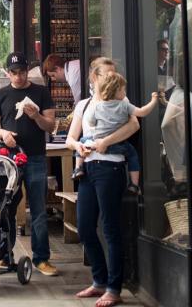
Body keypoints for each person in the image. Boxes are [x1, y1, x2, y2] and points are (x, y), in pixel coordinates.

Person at [66, 57, 140, 307]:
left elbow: (134, 125)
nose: (112, 78)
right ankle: (99, 280)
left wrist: (105, 142)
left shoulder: (121, 100)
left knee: (110, 228)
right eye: (107, 74)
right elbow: (70, 138)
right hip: (87, 169)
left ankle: (114, 287)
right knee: (85, 227)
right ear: (93, 77)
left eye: (114, 74)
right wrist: (79, 147)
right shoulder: (85, 105)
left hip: (111, 167)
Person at [0, 51, 57, 277]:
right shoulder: (0, 94)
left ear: (28, 71)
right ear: (7, 73)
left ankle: (42, 258)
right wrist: (3, 134)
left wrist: (36, 116)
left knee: (38, 209)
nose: (18, 77)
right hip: (10, 158)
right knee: (6, 207)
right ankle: (4, 256)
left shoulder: (41, 92)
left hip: (36, 156)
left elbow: (50, 126)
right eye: (14, 73)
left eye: (22, 72)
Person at [72, 71, 158, 193]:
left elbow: (91, 122)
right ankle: (134, 184)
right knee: (133, 155)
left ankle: (78, 168)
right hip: (118, 146)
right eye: (124, 90)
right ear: (117, 91)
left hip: (94, 144)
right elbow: (143, 112)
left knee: (82, 141)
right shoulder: (124, 105)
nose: (125, 93)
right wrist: (154, 100)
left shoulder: (96, 106)